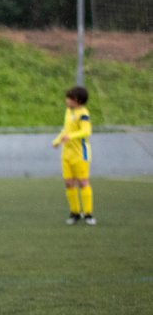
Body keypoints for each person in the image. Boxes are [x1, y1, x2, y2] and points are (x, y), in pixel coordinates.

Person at [52, 86, 95, 225]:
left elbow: (86, 131)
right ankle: (75, 213)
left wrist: (70, 136)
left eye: (69, 98)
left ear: (77, 100)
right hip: (67, 154)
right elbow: (66, 129)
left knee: (83, 182)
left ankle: (88, 214)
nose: (67, 100)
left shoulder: (83, 113)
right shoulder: (68, 112)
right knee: (69, 183)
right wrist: (58, 140)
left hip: (80, 154)